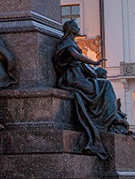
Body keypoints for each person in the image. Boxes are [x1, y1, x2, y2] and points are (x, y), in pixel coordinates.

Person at [52, 19, 130, 158]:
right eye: (75, 26)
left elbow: (81, 62)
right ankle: (110, 118)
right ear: (71, 29)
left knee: (104, 84)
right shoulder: (67, 43)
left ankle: (111, 117)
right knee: (102, 86)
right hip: (72, 79)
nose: (78, 27)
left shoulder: (72, 43)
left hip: (79, 76)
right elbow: (76, 56)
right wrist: (94, 62)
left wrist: (93, 72)